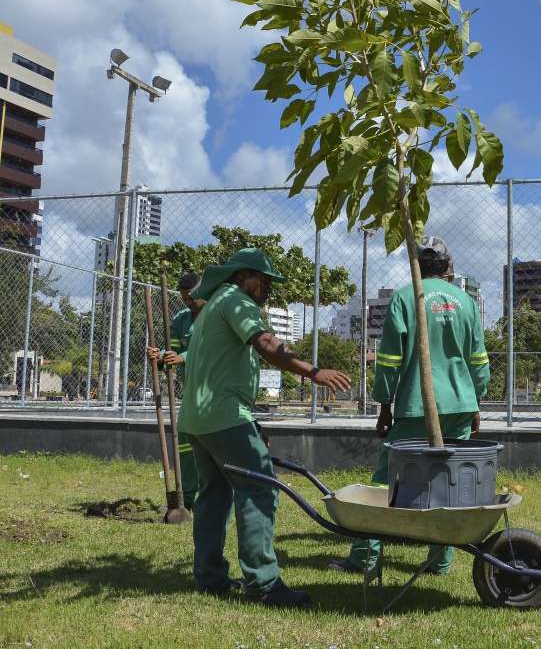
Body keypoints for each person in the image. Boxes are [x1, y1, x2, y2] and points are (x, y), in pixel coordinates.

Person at [152, 248, 351, 607]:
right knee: (260, 490)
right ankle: (263, 585)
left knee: (214, 496)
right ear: (244, 275)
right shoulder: (237, 301)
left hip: (198, 419)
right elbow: (266, 344)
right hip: (223, 417)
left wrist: (250, 420)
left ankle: (210, 579)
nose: (269, 291)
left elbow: (219, 371)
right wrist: (314, 372)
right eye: (266, 282)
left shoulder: (211, 306)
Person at [325, 236, 489, 576]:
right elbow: (478, 360)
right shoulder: (466, 302)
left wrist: (385, 404)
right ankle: (440, 560)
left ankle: (364, 557)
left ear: (416, 265)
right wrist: (475, 403)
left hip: (417, 405)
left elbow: (388, 360)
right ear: (447, 266)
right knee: (448, 480)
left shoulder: (404, 297)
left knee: (387, 480)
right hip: (460, 403)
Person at [152, 272, 205, 508]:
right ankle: (187, 500)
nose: (188, 303)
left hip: (215, 393)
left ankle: (216, 497)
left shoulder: (217, 317)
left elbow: (213, 352)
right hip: (190, 394)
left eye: (192, 298)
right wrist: (160, 356)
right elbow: (170, 351)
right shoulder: (180, 320)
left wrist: (183, 357)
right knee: (184, 445)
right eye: (184, 299)